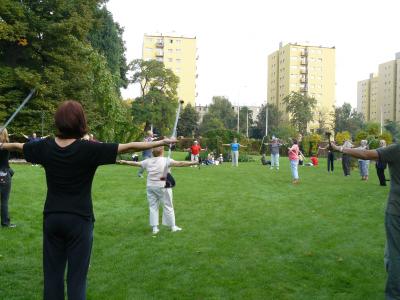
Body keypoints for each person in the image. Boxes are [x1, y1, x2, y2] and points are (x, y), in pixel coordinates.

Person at [0, 100, 176, 300]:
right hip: (80, 221)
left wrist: (3, 144)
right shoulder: (89, 149)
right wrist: (161, 142)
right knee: (77, 280)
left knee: (52, 278)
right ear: (81, 122)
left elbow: (19, 146)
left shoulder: (45, 147)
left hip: (53, 219)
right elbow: (128, 147)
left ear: (58, 121)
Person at [331, 141, 400, 300]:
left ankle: (394, 296)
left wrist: (340, 148)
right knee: (391, 255)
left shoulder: (397, 149)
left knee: (395, 257)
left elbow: (366, 154)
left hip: (396, 212)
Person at [118, 146, 197, 234]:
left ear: (152, 153)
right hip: (162, 186)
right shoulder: (166, 160)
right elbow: (181, 163)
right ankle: (173, 227)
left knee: (153, 206)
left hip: (150, 186)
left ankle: (155, 228)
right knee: (168, 206)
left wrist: (124, 161)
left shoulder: (148, 161)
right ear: (162, 152)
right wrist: (194, 162)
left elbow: (136, 164)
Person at [0, 128, 16, 228]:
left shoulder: (5, 146)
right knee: (4, 201)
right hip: (3, 175)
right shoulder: (6, 146)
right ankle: (5, 223)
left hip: (4, 172)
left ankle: (5, 222)